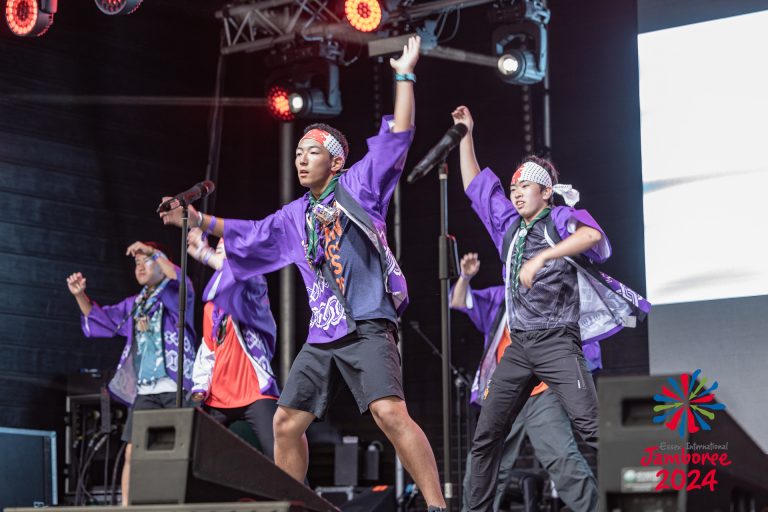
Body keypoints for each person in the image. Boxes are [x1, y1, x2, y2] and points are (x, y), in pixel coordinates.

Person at [161, 37, 447, 511]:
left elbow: (399, 134)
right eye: (297, 153)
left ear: (335, 161)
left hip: (367, 324)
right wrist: (197, 220)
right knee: (285, 422)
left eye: (311, 152)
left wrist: (404, 74)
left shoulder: (359, 186)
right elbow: (253, 233)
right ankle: (295, 506)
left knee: (389, 413)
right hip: (322, 334)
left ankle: (438, 506)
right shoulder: (295, 215)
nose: (300, 159)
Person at [450, 105, 650, 512]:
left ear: (545, 192)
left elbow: (592, 237)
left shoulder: (558, 218)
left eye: (525, 185)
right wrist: (466, 135)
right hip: (519, 349)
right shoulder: (508, 226)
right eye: (513, 187)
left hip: (557, 343)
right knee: (486, 437)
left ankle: (653, 492)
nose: (516, 192)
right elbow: (475, 185)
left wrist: (543, 257)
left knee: (590, 429)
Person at [451, 252, 600, 512]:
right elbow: (458, 301)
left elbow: (582, 338)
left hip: (545, 394)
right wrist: (465, 276)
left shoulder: (558, 293)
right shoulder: (501, 297)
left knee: (563, 460)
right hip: (508, 392)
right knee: (485, 461)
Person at [66, 241, 195, 506]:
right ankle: (126, 506)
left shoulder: (176, 295)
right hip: (146, 391)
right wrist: (80, 295)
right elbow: (102, 320)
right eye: (136, 263)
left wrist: (153, 253)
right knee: (132, 452)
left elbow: (180, 282)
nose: (140, 267)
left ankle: (181, 505)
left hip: (176, 388)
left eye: (146, 261)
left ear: (161, 263)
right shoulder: (135, 304)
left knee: (180, 451)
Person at [185, 228, 280, 458]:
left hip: (254, 391)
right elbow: (208, 348)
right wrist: (199, 387)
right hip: (219, 395)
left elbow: (239, 275)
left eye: (226, 247)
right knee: (195, 453)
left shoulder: (254, 285)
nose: (220, 248)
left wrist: (205, 252)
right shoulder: (211, 307)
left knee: (279, 453)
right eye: (218, 246)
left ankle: (298, 484)